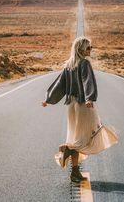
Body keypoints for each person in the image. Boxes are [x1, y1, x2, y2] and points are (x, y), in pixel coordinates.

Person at [42, 36, 119, 182]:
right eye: (88, 47)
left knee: (76, 137)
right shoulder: (84, 64)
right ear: (81, 49)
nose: (91, 50)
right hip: (83, 105)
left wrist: (48, 99)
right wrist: (90, 98)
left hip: (71, 106)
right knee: (86, 136)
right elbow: (87, 81)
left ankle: (75, 172)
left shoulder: (68, 65)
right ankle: (68, 150)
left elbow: (59, 85)